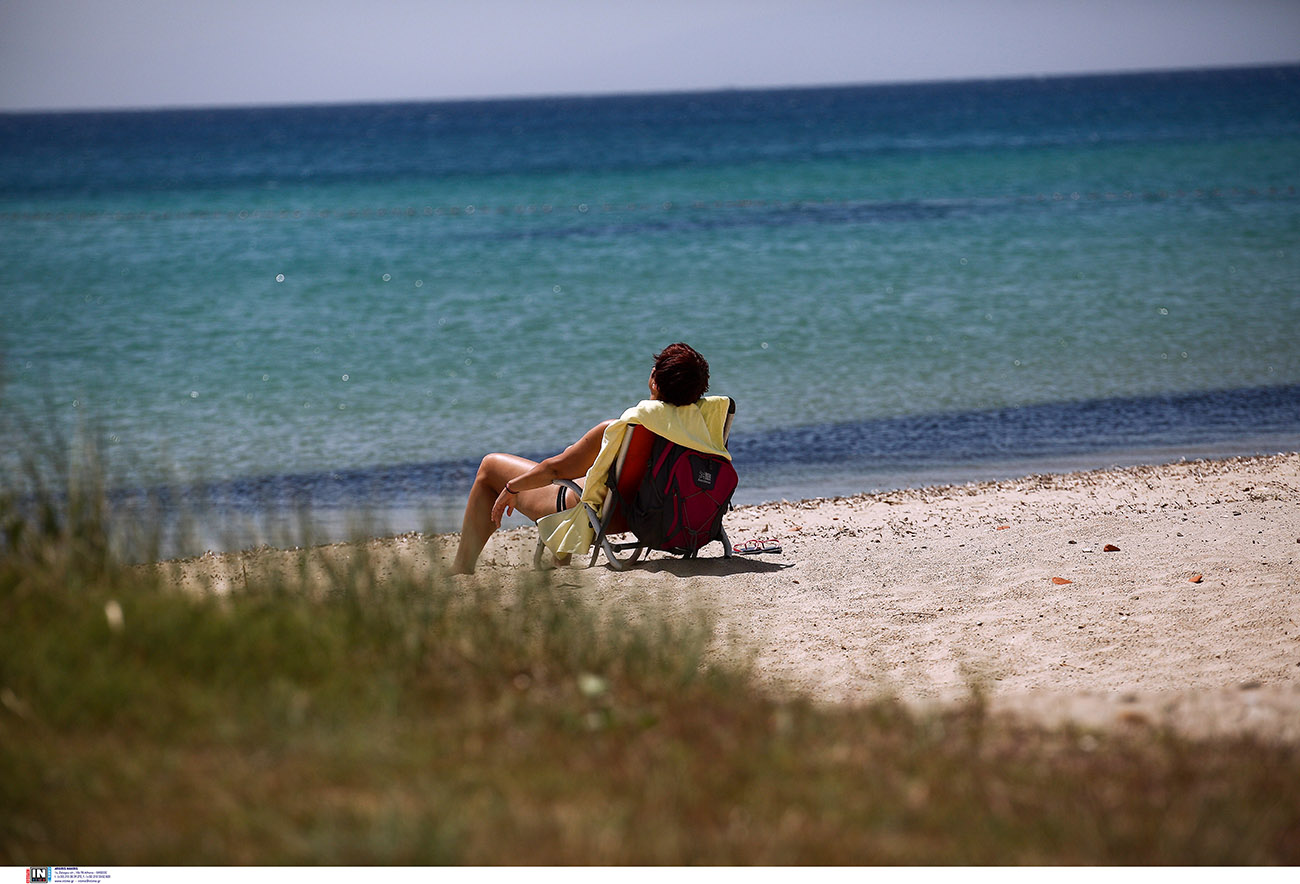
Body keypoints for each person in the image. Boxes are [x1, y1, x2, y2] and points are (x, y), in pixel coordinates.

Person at [449, 342, 712, 574]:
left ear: (655, 381)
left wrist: (511, 488)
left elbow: (553, 471)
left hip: (589, 514)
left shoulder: (626, 429)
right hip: (646, 514)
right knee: (576, 459)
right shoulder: (699, 430)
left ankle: (462, 566)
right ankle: (560, 560)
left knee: (490, 466)